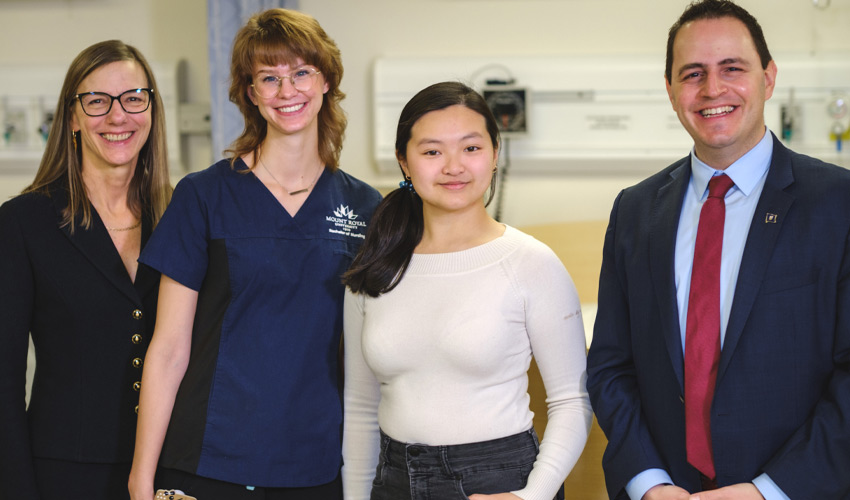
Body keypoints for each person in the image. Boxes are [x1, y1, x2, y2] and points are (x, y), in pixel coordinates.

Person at [586, 1, 850, 499]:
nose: (712, 90)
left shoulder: (837, 205)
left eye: (733, 69)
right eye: (693, 74)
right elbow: (611, 366)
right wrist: (648, 483)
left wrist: (767, 491)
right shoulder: (636, 212)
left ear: (768, 78)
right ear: (669, 90)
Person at [127, 8, 381, 500]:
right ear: (250, 93)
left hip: (316, 464)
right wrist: (141, 479)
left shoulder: (365, 207)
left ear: (326, 80)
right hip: (207, 459)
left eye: (301, 72)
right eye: (269, 77)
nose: (287, 92)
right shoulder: (203, 196)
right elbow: (168, 350)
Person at [341, 81, 592, 500]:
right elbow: (361, 407)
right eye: (432, 151)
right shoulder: (375, 266)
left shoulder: (530, 262)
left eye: (471, 148)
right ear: (404, 162)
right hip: (393, 480)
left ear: (495, 154)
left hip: (500, 481)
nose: (453, 166)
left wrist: (531, 496)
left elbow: (572, 401)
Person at [0, 40, 172, 500]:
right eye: (97, 101)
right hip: (64, 476)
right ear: (72, 117)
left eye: (133, 98)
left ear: (152, 110)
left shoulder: (183, 215)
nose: (118, 116)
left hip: (168, 471)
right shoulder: (23, 223)